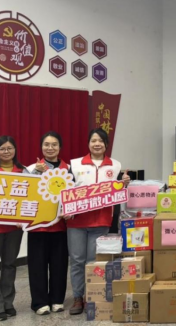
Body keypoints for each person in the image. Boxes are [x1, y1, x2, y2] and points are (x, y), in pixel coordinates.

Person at [66, 129, 130, 316]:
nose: (97, 144)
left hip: (101, 221)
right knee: (77, 261)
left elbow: (117, 192)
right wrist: (66, 209)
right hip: (76, 221)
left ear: (106, 144)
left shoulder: (115, 165)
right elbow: (66, 189)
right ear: (88, 143)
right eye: (93, 140)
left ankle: (92, 295)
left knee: (94, 261)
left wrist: (124, 183)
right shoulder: (75, 164)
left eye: (101, 141)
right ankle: (78, 297)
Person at [0, 136, 28, 322]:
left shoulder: (23, 171)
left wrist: (24, 219)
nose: (6, 152)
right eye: (2, 149)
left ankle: (7, 302)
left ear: (15, 150)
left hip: (14, 228)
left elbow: (30, 197)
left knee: (10, 264)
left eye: (9, 148)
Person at [25, 132, 69, 316]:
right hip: (37, 226)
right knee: (37, 265)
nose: (50, 148)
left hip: (60, 226)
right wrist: (36, 173)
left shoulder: (69, 169)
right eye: (46, 144)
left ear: (60, 147)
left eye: (54, 144)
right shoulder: (31, 169)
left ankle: (57, 300)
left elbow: (74, 194)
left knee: (59, 264)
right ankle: (40, 302)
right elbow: (24, 192)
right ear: (41, 147)